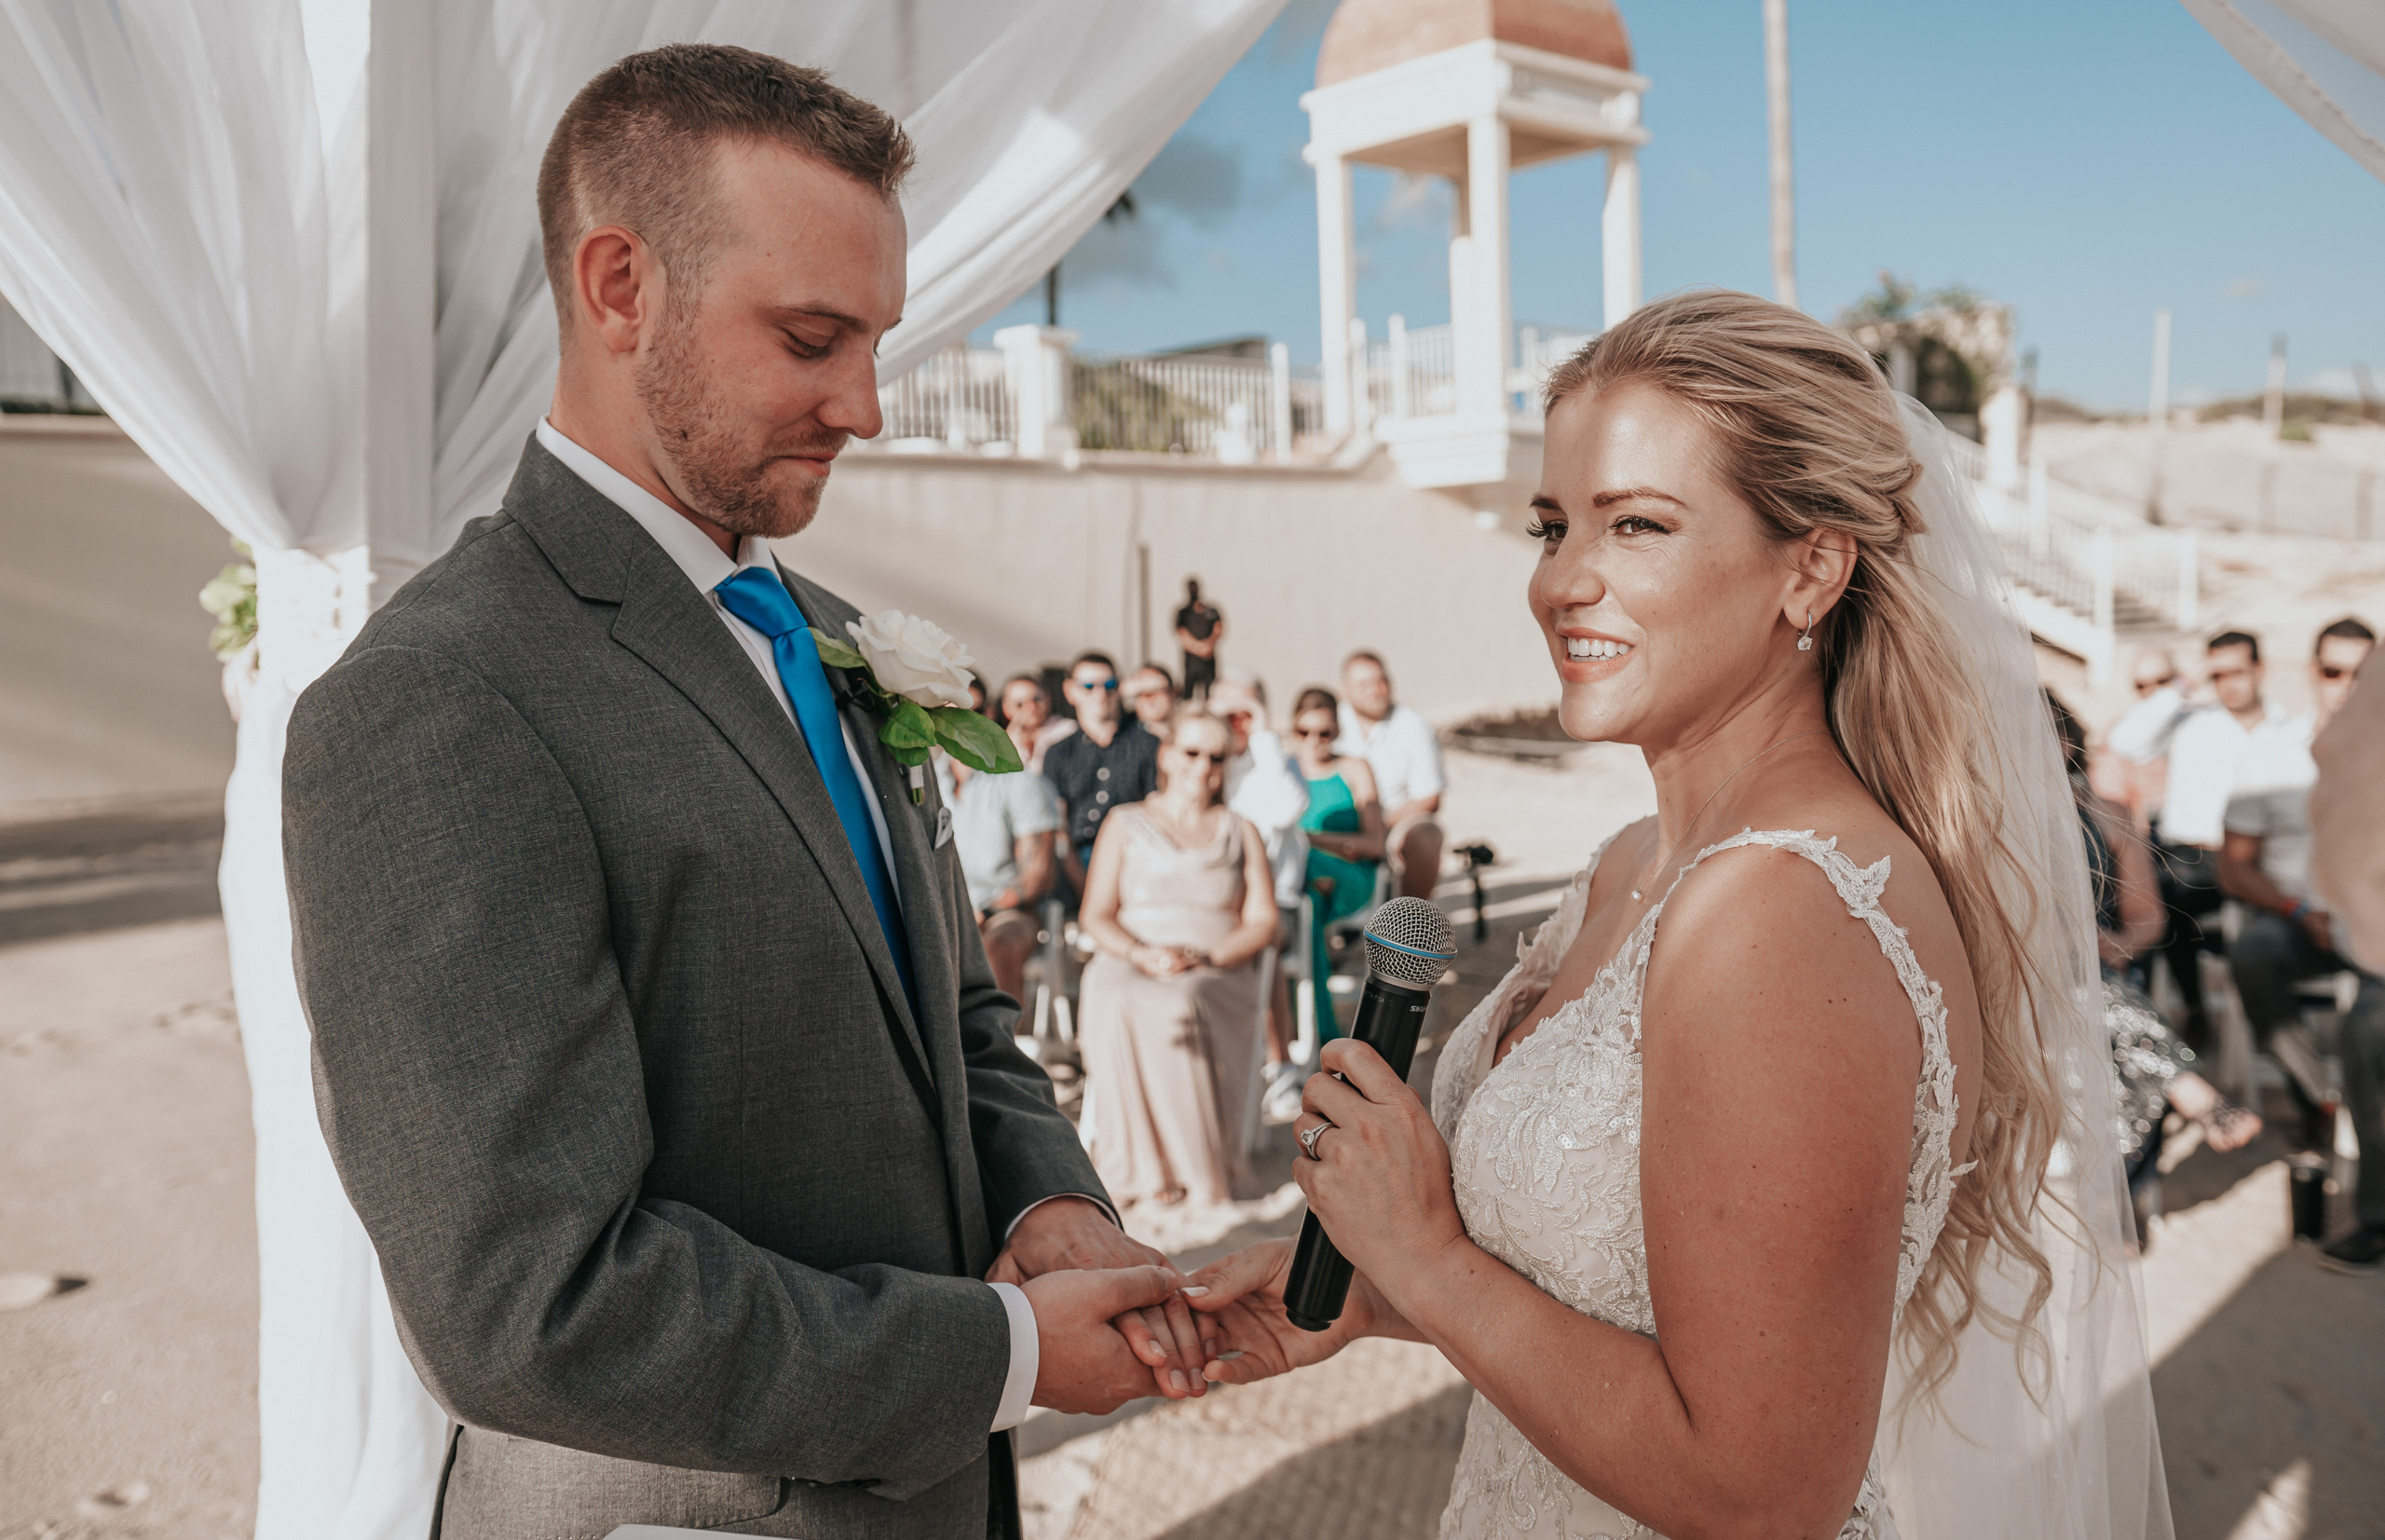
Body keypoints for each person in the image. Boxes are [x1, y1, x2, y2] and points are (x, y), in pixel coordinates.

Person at [280, 48, 1206, 1540]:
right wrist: (1007, 1354)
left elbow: (959, 1015)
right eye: (813, 338)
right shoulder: (437, 697)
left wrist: (1052, 1208)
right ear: (621, 287)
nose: (868, 407)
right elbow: (530, 1303)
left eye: (875, 342)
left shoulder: (833, 637)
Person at [1183, 291, 2168, 1540]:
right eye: (1551, 528)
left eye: (1636, 524)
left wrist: (1429, 1257)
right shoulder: (1630, 864)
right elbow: (1622, 1306)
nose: (1562, 581)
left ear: (1810, 568)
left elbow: (1763, 1491)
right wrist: (1378, 1293)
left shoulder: (1787, 910)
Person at [2047, 689, 2260, 1219]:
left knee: (2099, 1003)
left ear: (2069, 740)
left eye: (2052, 733)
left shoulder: (2107, 814)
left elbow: (2148, 920)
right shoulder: (1985, 817)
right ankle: (2185, 1095)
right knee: (2103, 1004)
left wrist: (2118, 943)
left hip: (2104, 970)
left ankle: (2112, 1201)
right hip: (2027, 978)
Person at [2219, 618, 2384, 1274]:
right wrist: (2297, 908)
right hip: (2296, 917)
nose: (2348, 686)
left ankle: (2376, 1217)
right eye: (2336, 670)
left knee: (2369, 1026)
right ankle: (2321, 1094)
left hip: (2375, 930)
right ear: (2314, 672)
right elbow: (2234, 866)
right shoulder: (2271, 753)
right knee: (2254, 953)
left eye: (2363, 674)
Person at [1075, 709, 1281, 1206]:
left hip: (1214, 968)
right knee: (1114, 993)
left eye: (1216, 756)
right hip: (1132, 957)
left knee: (1179, 1001)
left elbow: (1264, 921)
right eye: (1191, 752)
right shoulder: (1124, 822)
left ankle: (1191, 1170)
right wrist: (1140, 954)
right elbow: (1095, 915)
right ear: (1166, 755)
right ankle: (1140, 1170)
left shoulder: (1241, 829)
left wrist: (1208, 956)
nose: (1203, 766)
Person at [1208, 674, 1313, 1113]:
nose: (1235, 722)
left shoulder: (1275, 764)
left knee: (1257, 937)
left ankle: (1279, 1066)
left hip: (1276, 904)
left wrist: (1263, 733)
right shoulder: (1205, 764)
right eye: (1226, 713)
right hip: (1212, 901)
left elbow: (1288, 810)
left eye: (1244, 712)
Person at [942, 682, 1063, 1007]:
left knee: (999, 943)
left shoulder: (1020, 782)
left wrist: (981, 912)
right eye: (949, 712)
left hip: (1006, 912)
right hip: (941, 910)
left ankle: (1001, 1037)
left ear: (991, 714)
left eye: (975, 710)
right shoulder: (921, 780)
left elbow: (1037, 876)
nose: (963, 721)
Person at [1289, 687, 1385, 1044]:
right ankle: (1320, 1034)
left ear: (1337, 731)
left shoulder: (1354, 769)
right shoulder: (1284, 770)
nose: (1313, 741)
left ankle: (1310, 1035)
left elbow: (1375, 843)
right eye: (1304, 732)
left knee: (1305, 887)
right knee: (1308, 904)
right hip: (1304, 881)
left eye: (1323, 732)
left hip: (1349, 877)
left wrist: (1311, 839)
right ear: (1293, 729)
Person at [1044, 650, 1161, 891]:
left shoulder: (1149, 745)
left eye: (1109, 685)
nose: (1101, 694)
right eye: (1089, 686)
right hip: (1073, 862)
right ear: (1070, 691)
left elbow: (1156, 810)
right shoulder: (1058, 753)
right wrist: (1084, 887)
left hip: (1133, 858)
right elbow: (1057, 827)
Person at [1335, 650, 1447, 902]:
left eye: (1382, 681)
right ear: (1343, 690)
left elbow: (1429, 797)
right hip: (1339, 822)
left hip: (1392, 823)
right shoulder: (1328, 725)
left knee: (1428, 836)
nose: (1376, 690)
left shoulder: (1413, 726)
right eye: (1364, 684)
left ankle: (1409, 919)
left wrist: (1377, 826)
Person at [996, 671, 1072, 775]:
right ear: (1006, 709)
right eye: (1020, 704)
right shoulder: (1000, 746)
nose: (1031, 707)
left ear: (1048, 698)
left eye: (1036, 699)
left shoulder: (1068, 732)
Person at [1174, 578, 1223, 702]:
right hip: (1191, 662)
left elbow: (1218, 628)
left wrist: (1208, 645)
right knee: (1188, 696)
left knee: (1210, 694)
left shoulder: (1211, 611)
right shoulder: (1183, 613)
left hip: (1208, 661)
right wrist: (1199, 648)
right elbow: (1181, 633)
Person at [1123, 662, 1178, 729]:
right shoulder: (1123, 729)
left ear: (1172, 693)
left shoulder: (1184, 728)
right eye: (1140, 691)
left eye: (1156, 689)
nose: (1149, 696)